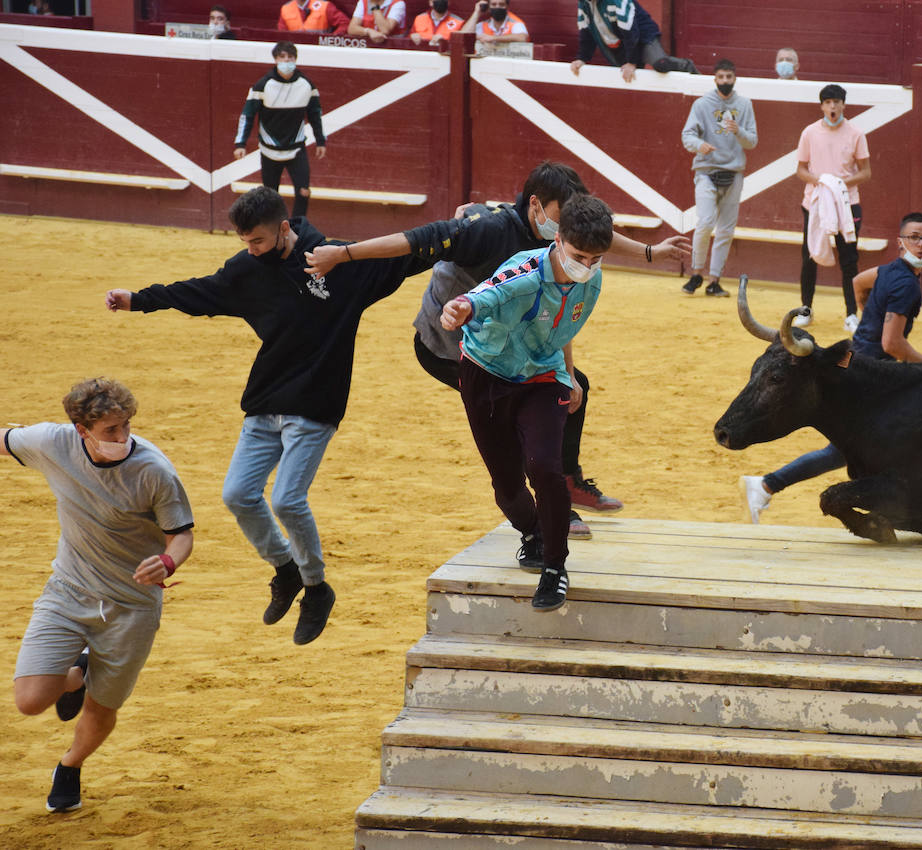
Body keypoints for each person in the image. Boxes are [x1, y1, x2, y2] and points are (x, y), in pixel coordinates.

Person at [103, 187, 436, 646]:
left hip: (315, 406)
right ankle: (286, 569)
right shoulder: (247, 268)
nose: (251, 251)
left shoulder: (337, 262)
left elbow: (407, 253)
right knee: (237, 494)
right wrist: (138, 300)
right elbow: (200, 292)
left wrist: (460, 235)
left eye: (257, 241)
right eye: (245, 242)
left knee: (286, 500)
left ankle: (317, 588)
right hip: (265, 402)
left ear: (284, 229)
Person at [302, 162, 688, 540]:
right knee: (519, 412)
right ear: (535, 205)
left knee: (571, 388)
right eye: (560, 216)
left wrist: (650, 252)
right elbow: (415, 240)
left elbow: (592, 236)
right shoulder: (486, 230)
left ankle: (565, 484)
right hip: (450, 347)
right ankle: (546, 508)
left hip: (512, 344)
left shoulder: (559, 240)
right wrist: (344, 254)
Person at [6, 377, 194, 814]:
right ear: (81, 429)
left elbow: (181, 536)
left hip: (132, 606)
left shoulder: (154, 471)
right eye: (111, 430)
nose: (122, 437)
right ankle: (78, 673)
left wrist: (167, 563)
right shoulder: (51, 442)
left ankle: (70, 764)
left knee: (102, 706)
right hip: (69, 589)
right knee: (30, 701)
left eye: (126, 425)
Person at [439, 194, 616, 612]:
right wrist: (461, 307)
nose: (587, 268)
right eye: (579, 256)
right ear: (558, 241)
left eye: (595, 259)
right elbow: (487, 294)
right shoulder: (524, 271)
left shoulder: (593, 277)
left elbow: (562, 324)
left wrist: (569, 373)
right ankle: (534, 534)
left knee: (545, 466)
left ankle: (555, 567)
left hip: (542, 375)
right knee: (507, 485)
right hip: (486, 373)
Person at [740, 212, 922, 523]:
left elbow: (859, 283)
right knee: (849, 448)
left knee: (854, 446)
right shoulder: (907, 287)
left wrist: (867, 322)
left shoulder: (890, 271)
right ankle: (766, 485)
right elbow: (892, 344)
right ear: (901, 241)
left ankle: (767, 486)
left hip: (856, 358)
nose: (921, 243)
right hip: (873, 373)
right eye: (914, 237)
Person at [796, 83, 871, 333]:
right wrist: (821, 182)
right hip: (815, 201)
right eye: (828, 102)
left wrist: (838, 184)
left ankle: (851, 314)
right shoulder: (809, 132)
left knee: (849, 260)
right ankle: (805, 309)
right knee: (810, 257)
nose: (832, 106)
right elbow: (801, 169)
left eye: (836, 102)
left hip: (847, 202)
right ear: (822, 106)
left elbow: (865, 172)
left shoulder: (856, 133)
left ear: (843, 105)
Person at [680, 58, 757, 298]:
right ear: (715, 79)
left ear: (735, 79)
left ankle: (714, 280)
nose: (725, 81)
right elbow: (687, 135)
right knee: (705, 222)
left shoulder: (744, 104)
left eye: (729, 77)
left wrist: (738, 131)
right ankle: (696, 273)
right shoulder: (702, 104)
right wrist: (699, 145)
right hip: (706, 169)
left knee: (725, 229)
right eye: (721, 77)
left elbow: (751, 141)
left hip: (733, 172)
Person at [233, 42, 326, 221]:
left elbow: (315, 114)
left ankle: (298, 231)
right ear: (275, 59)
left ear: (295, 60)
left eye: (290, 57)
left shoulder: (306, 85)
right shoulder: (262, 85)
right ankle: (274, 231)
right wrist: (240, 143)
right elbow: (247, 115)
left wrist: (320, 140)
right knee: (270, 198)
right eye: (282, 57)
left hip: (296, 148)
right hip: (269, 151)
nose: (287, 61)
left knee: (304, 192)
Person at [571, 0, 696, 84]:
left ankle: (685, 65)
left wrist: (631, 62)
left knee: (660, 64)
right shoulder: (584, 3)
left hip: (644, 37)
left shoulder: (618, 1)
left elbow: (631, 33)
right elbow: (586, 31)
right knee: (624, 78)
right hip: (620, 44)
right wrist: (582, 58)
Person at [277, 0, 350, 34]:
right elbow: (282, 34)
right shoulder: (286, 8)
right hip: (294, 52)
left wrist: (331, 39)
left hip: (319, 49)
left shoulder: (324, 6)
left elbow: (345, 23)